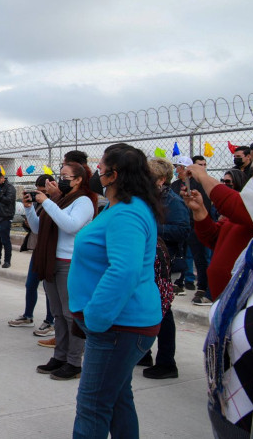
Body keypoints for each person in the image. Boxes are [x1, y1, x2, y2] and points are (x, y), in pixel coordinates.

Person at [68, 144, 162, 438]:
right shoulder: (121, 208)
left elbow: (125, 270)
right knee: (119, 400)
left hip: (119, 326)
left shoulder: (127, 214)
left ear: (114, 174)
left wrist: (95, 317)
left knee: (93, 406)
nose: (97, 170)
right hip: (120, 325)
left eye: (102, 165)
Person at [203, 151, 253, 437]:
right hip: (233, 409)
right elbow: (214, 239)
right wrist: (200, 214)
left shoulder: (250, 216)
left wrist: (202, 176)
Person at [27, 162, 97, 380]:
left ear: (78, 180)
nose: (61, 179)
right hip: (51, 261)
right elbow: (39, 228)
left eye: (66, 176)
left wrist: (47, 202)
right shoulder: (60, 199)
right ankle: (60, 356)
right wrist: (30, 208)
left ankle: (74, 361)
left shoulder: (83, 201)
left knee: (70, 314)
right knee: (58, 313)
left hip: (70, 261)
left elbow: (70, 226)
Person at [137, 158, 190, 380]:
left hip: (166, 265)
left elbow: (182, 230)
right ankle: (143, 353)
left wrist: (150, 228)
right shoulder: (146, 199)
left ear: (160, 179)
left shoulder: (173, 201)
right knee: (145, 307)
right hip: (149, 261)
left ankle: (167, 362)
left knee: (163, 312)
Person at [183, 162, 253, 301]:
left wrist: (203, 176)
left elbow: (234, 204)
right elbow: (214, 237)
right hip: (225, 302)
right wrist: (199, 210)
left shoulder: (252, 213)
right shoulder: (237, 217)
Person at [8, 174, 56, 337]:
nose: (37, 194)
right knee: (31, 284)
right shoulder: (37, 205)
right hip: (38, 248)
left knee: (50, 287)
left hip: (50, 251)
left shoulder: (53, 204)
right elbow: (36, 227)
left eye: (41, 191)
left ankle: (51, 320)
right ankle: (28, 315)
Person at [171, 156, 211, 294]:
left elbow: (204, 204)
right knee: (181, 255)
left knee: (199, 256)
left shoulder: (197, 184)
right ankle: (181, 282)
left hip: (195, 224)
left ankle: (202, 286)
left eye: (179, 167)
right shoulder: (175, 185)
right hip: (181, 224)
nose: (177, 170)